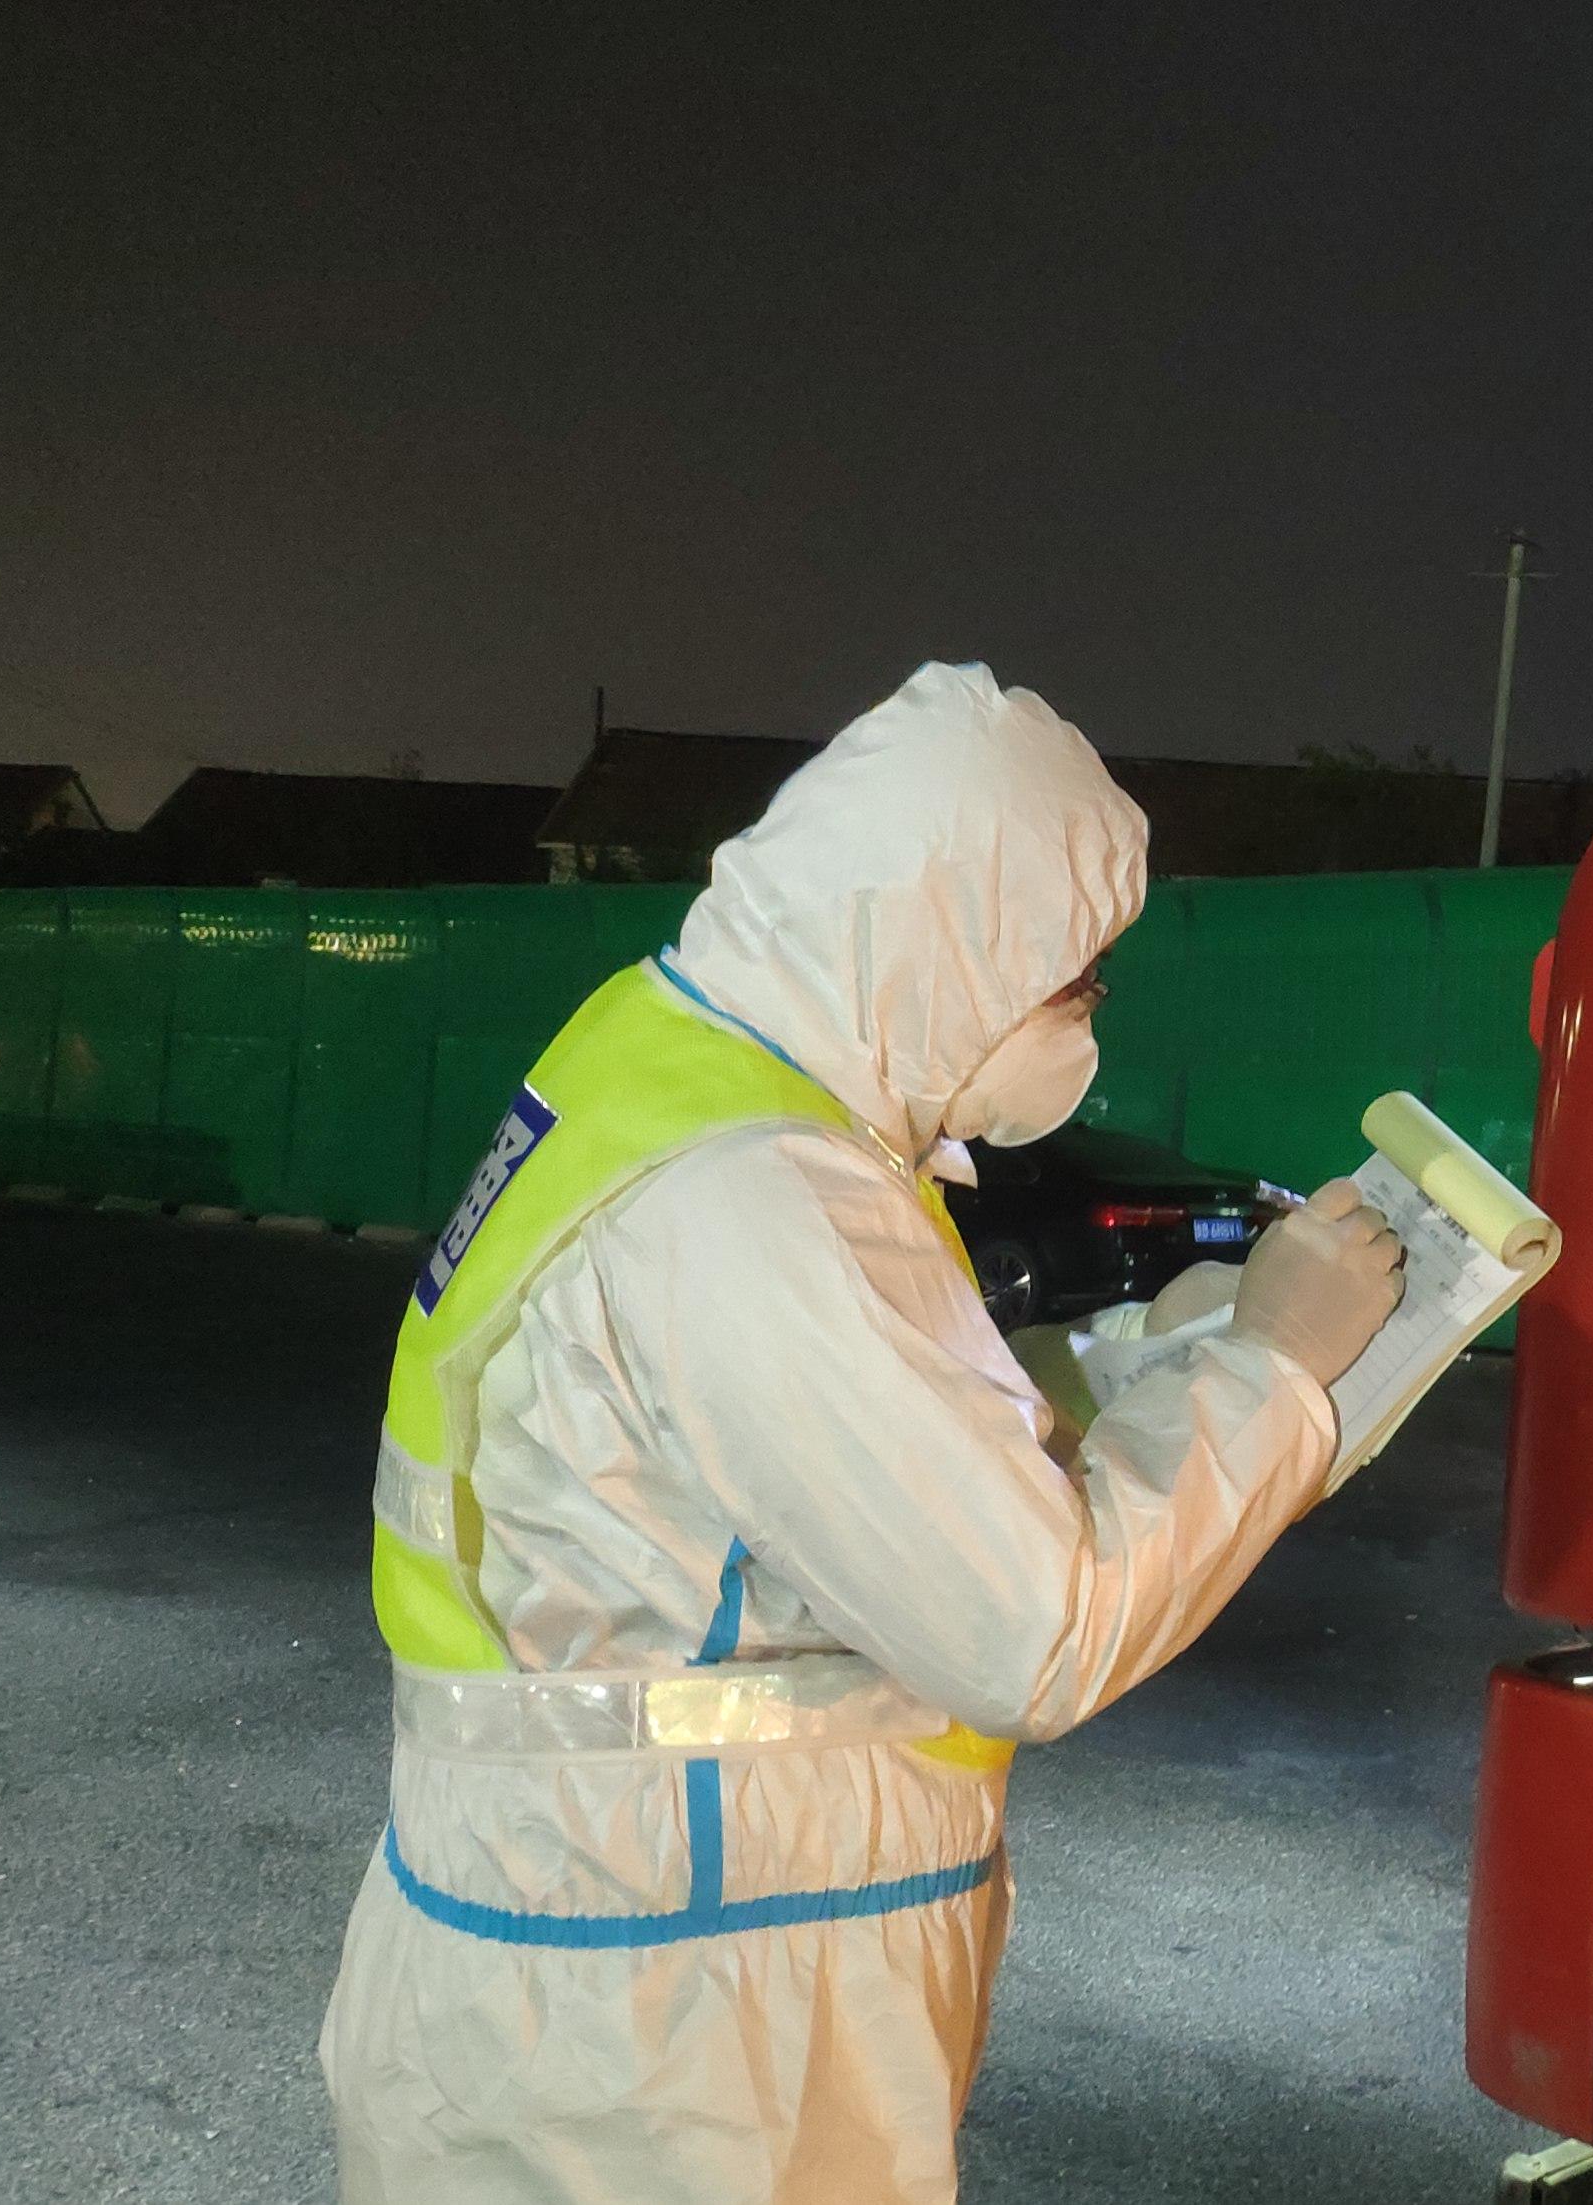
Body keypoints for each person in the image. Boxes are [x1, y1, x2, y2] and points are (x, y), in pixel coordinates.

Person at [320, 662, 1406, 2205]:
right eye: (1073, 976)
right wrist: (1279, 1378)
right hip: (674, 2043)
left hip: (612, 1969)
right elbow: (1036, 1629)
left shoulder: (693, 1073)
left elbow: (838, 1446)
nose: (1093, 1008)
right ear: (948, 947)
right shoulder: (759, 1196)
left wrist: (1168, 1349)